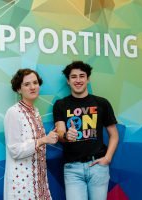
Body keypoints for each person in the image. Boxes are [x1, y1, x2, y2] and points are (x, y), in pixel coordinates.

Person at [53, 61, 119, 200]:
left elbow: (114, 135)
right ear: (68, 81)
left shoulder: (102, 103)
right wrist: (66, 135)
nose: (78, 80)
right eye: (73, 77)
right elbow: (59, 134)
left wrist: (107, 158)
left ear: (88, 79)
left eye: (82, 76)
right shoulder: (61, 105)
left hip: (98, 167)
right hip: (72, 169)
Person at [4, 68, 58, 200]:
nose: (32, 87)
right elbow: (15, 150)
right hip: (21, 185)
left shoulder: (36, 112)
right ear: (18, 89)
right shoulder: (14, 112)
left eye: (35, 83)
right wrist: (42, 140)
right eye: (27, 84)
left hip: (39, 182)